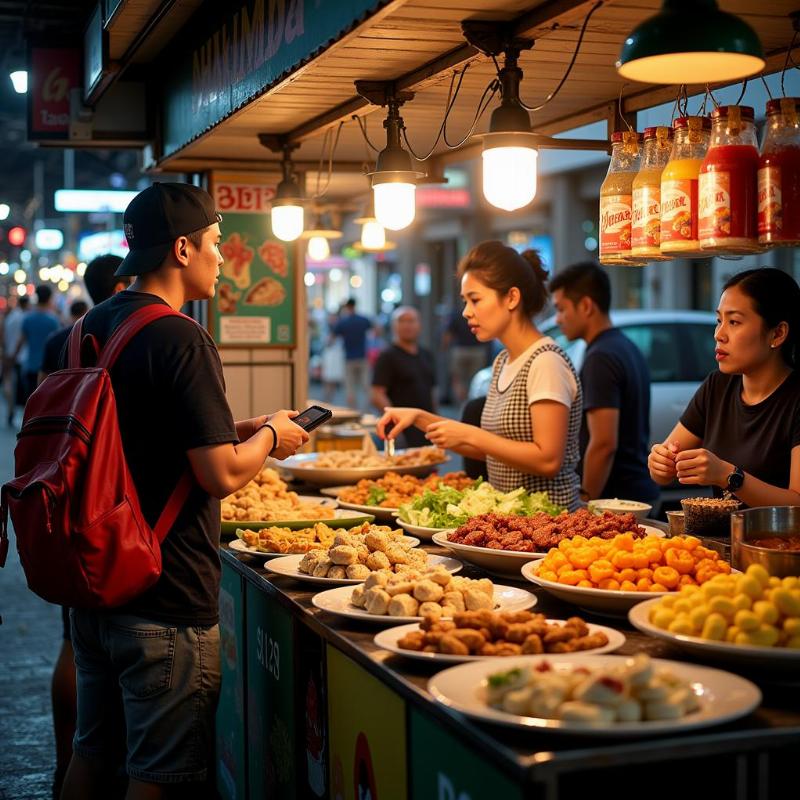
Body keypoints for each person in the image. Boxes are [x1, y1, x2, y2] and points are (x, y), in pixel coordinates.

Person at [59, 182, 309, 800]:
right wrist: (274, 434)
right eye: (216, 244)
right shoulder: (180, 337)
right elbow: (220, 475)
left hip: (94, 591)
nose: (222, 258)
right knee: (159, 780)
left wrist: (236, 431)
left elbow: (145, 439)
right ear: (181, 248)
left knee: (92, 756)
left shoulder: (90, 326)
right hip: (163, 601)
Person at [377, 241, 582, 510]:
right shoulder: (503, 361)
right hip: (511, 521)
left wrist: (472, 435)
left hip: (550, 522)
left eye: (475, 299)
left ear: (511, 298)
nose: (466, 312)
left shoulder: (545, 362)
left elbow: (547, 460)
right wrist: (419, 417)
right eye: (465, 301)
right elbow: (495, 450)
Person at [40, 255, 128, 800]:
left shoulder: (66, 341)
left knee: (75, 640)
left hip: (64, 507)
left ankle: (64, 760)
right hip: (110, 514)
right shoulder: (136, 337)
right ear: (120, 285)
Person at [648, 268, 800, 508]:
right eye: (719, 321)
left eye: (734, 322)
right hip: (720, 541)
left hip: (778, 544)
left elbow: (797, 503)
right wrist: (660, 461)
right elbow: (662, 473)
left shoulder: (795, 399)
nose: (719, 334)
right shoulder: (717, 385)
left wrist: (728, 475)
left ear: (778, 333)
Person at [550, 261, 659, 505]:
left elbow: (603, 443)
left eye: (561, 309)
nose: (557, 319)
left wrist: (586, 501)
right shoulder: (624, 345)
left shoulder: (601, 357)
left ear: (586, 305)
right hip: (637, 489)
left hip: (617, 499)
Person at [370, 306, 436, 448]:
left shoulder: (426, 354)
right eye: (402, 321)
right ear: (394, 326)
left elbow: (431, 392)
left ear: (419, 325)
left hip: (425, 427)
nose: (407, 325)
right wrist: (397, 421)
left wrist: (436, 422)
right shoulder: (387, 356)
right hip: (401, 430)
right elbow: (377, 395)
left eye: (412, 321)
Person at [14, 284, 59, 400]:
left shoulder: (28, 319)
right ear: (49, 298)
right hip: (49, 370)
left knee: (30, 401)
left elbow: (21, 341)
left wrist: (13, 357)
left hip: (31, 366)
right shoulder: (53, 321)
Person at [332, 298, 372, 410]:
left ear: (347, 307)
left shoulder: (343, 322)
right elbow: (377, 330)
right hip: (362, 357)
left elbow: (331, 339)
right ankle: (366, 410)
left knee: (350, 387)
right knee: (366, 386)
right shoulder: (363, 320)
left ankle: (354, 411)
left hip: (349, 358)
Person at [442, 308, 487, 403]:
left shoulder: (458, 314)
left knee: (457, 379)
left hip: (460, 350)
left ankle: (463, 403)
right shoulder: (480, 313)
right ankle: (470, 402)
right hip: (477, 350)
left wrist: (445, 348)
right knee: (475, 379)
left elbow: (448, 334)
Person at [2, 294, 28, 425]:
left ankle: (10, 409)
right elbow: (23, 339)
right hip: (21, 356)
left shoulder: (11, 317)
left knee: (9, 382)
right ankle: (19, 411)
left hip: (9, 353)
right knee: (20, 386)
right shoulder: (25, 318)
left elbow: (3, 336)